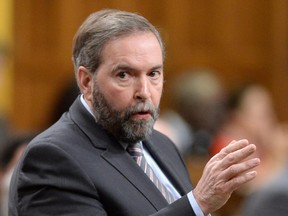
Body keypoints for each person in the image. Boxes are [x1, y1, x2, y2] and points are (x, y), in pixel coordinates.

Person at [9, 9, 260, 216]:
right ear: (86, 82)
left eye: (153, 74)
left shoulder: (162, 145)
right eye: (124, 75)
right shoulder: (52, 157)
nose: (144, 91)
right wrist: (198, 203)